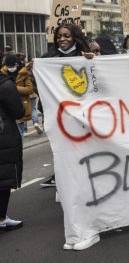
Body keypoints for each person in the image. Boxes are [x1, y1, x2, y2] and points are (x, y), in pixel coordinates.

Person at [35, 24, 97, 250]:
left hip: (83, 126)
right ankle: (78, 228)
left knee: (85, 172)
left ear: (75, 38)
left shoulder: (85, 57)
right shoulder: (47, 59)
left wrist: (92, 61)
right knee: (67, 174)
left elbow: (98, 86)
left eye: (67, 36)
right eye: (59, 36)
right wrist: (34, 71)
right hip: (61, 126)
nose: (62, 39)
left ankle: (89, 226)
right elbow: (40, 91)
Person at [0, 70, 25, 233]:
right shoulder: (5, 85)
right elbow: (18, 112)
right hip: (4, 135)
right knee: (4, 178)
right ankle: (1, 219)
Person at [1, 55, 33, 144]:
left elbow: (30, 89)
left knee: (20, 132)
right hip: (6, 108)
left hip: (20, 105)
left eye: (12, 66)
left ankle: (20, 152)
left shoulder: (24, 72)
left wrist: (14, 88)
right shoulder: (2, 72)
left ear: (16, 64)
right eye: (8, 66)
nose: (10, 68)